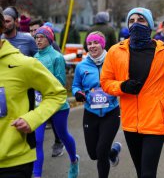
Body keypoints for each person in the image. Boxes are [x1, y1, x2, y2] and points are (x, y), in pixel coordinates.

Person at [100, 7, 164, 178]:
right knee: (141, 172)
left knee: (148, 174)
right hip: (130, 122)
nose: (135, 24)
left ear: (150, 25)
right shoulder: (115, 52)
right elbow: (105, 82)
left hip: (155, 120)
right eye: (131, 21)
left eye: (141, 20)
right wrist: (122, 86)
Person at [0, 12, 66, 178]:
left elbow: (57, 93)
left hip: (14, 161)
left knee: (55, 136)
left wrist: (32, 119)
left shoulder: (23, 63)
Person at [72, 31, 122, 178]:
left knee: (101, 153)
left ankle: (106, 155)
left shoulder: (113, 62)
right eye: (89, 43)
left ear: (103, 44)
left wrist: (114, 90)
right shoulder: (81, 66)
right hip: (90, 113)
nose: (92, 46)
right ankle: (112, 152)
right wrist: (77, 93)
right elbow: (75, 85)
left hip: (111, 113)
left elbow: (121, 82)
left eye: (96, 42)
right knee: (94, 154)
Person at [32, 26, 79, 178]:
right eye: (36, 37)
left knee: (63, 135)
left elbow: (60, 82)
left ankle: (73, 161)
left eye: (41, 37)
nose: (38, 40)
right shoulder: (34, 58)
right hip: (40, 104)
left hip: (57, 104)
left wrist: (42, 85)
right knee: (38, 140)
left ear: (49, 39)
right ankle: (37, 174)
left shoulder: (57, 57)